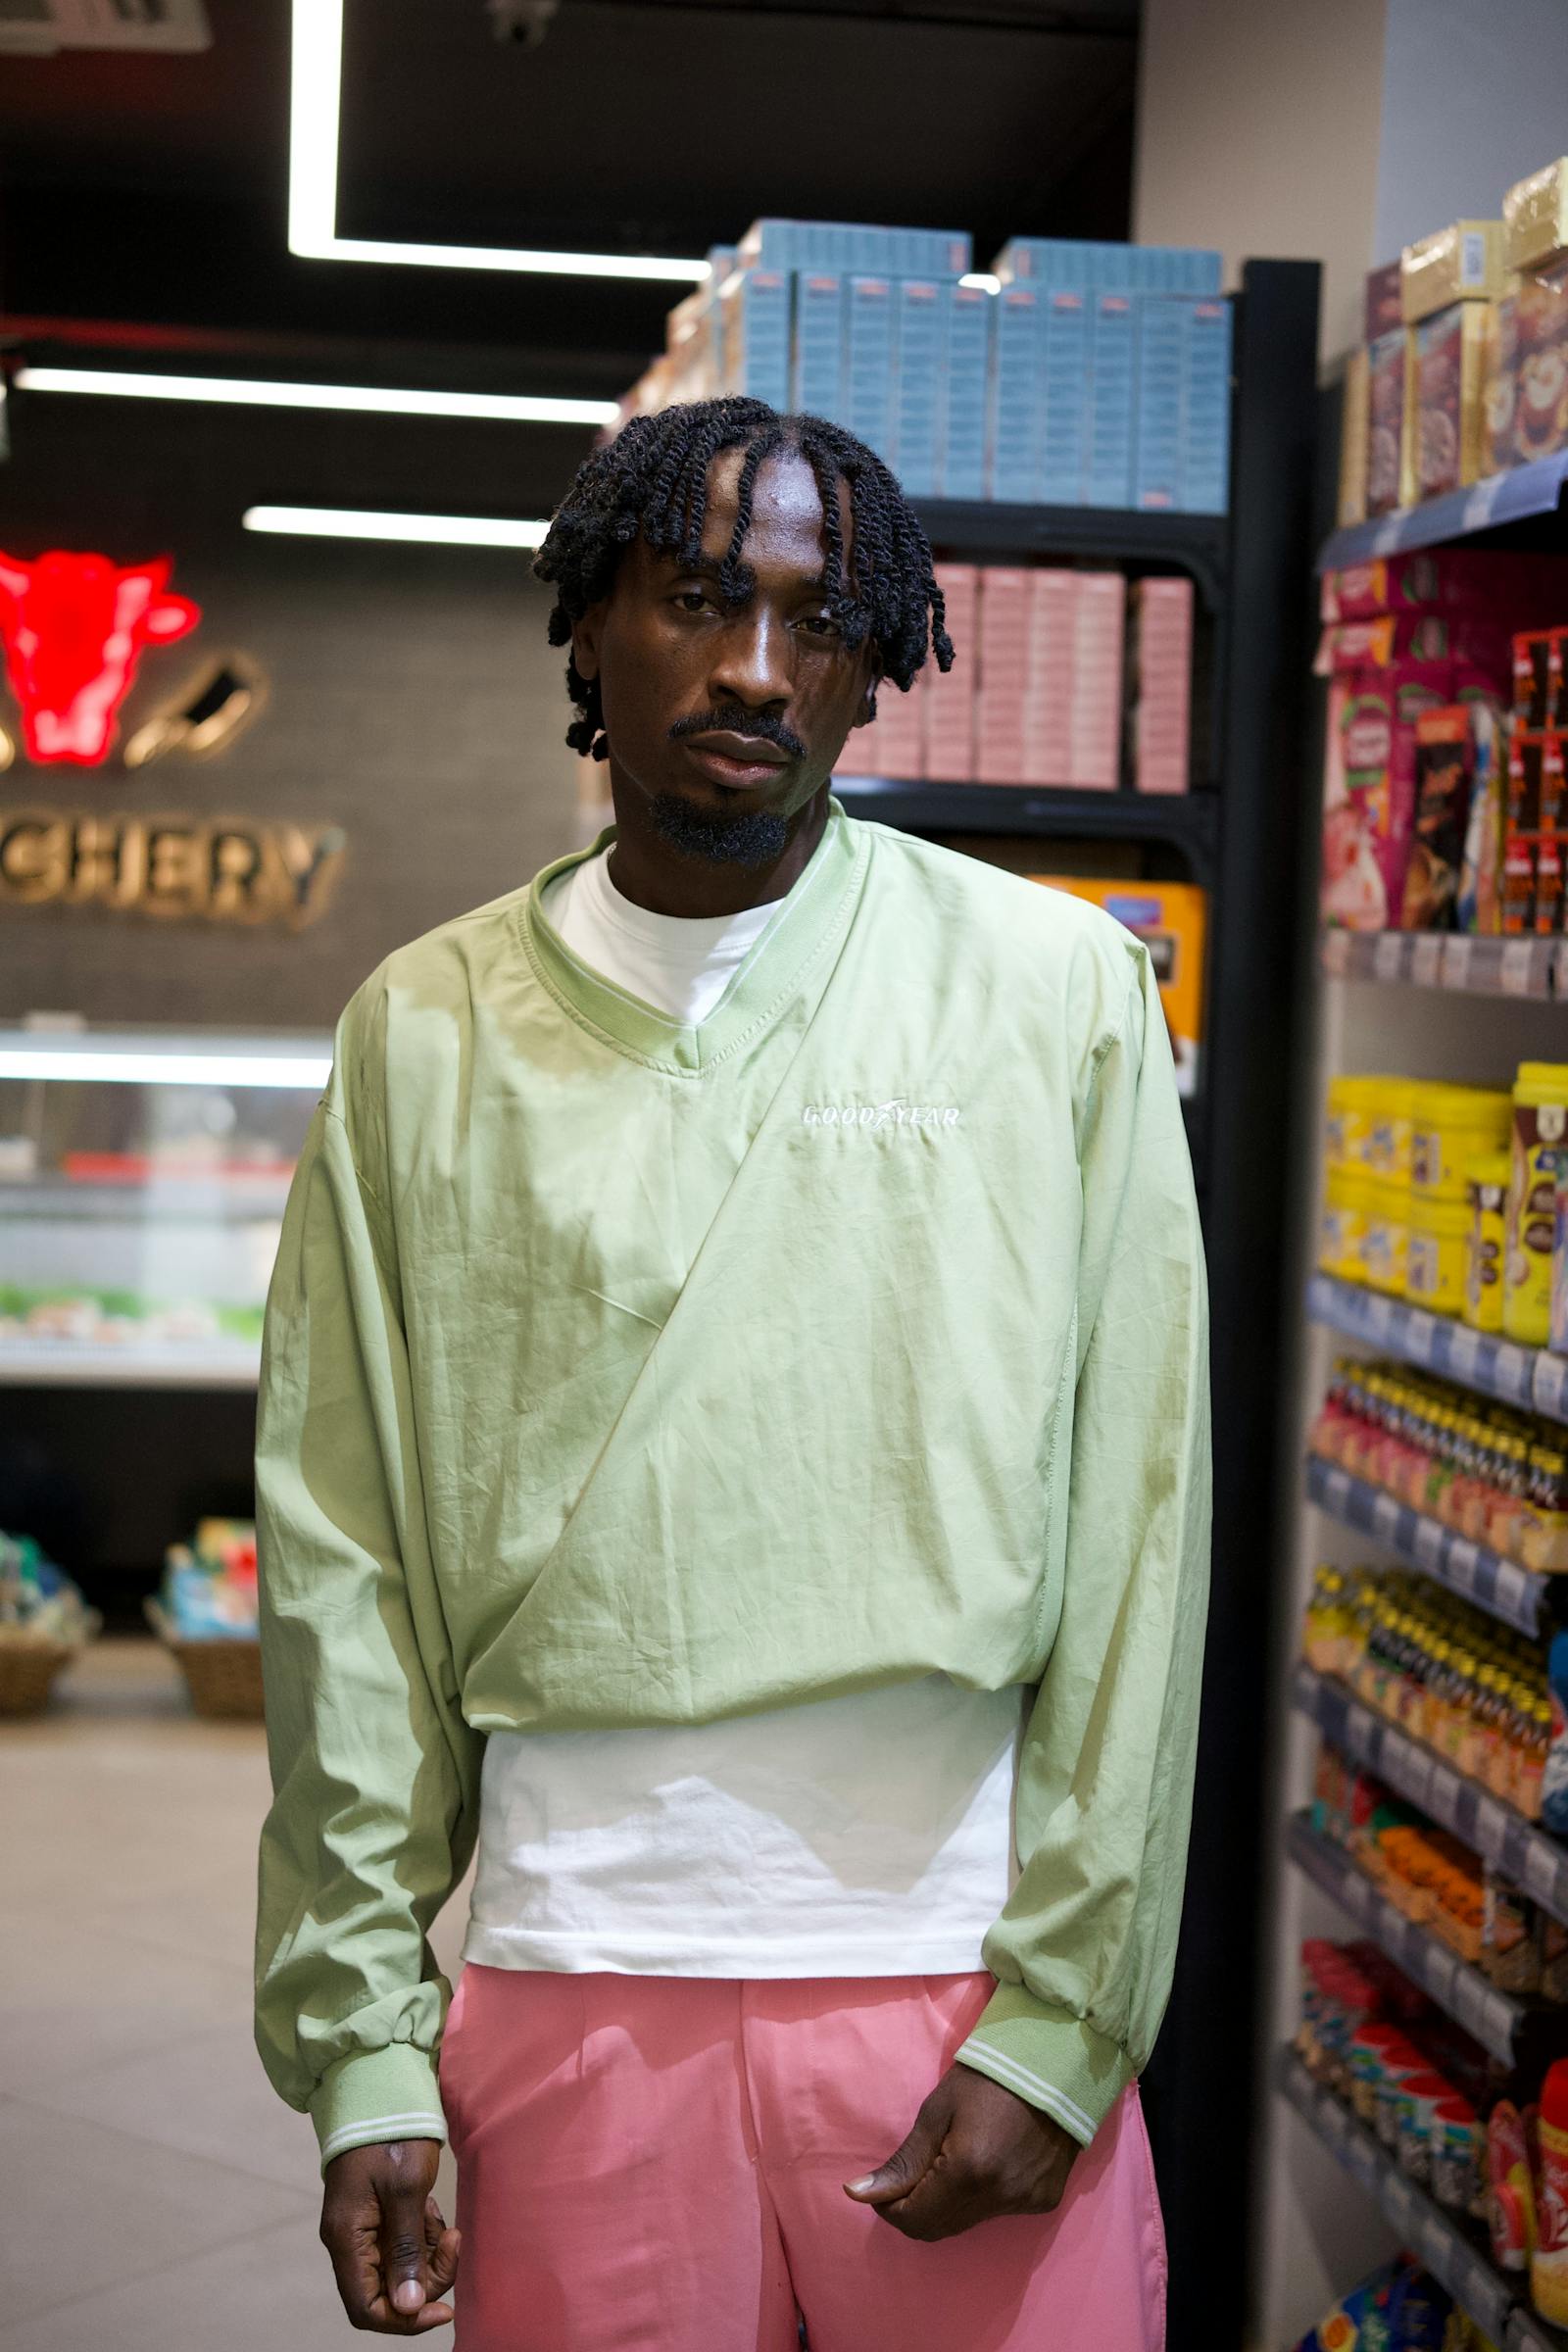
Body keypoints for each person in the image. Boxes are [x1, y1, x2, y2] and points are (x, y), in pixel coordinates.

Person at [254, 395, 1210, 2349]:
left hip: (957, 1979)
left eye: (815, 616)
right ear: (589, 631)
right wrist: (361, 2033)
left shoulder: (1050, 997)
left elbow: (1141, 1524)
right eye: (696, 599)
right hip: (574, 1979)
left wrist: (1064, 2018)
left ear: (877, 670)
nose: (756, 662)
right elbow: (340, 1561)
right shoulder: (424, 1036)